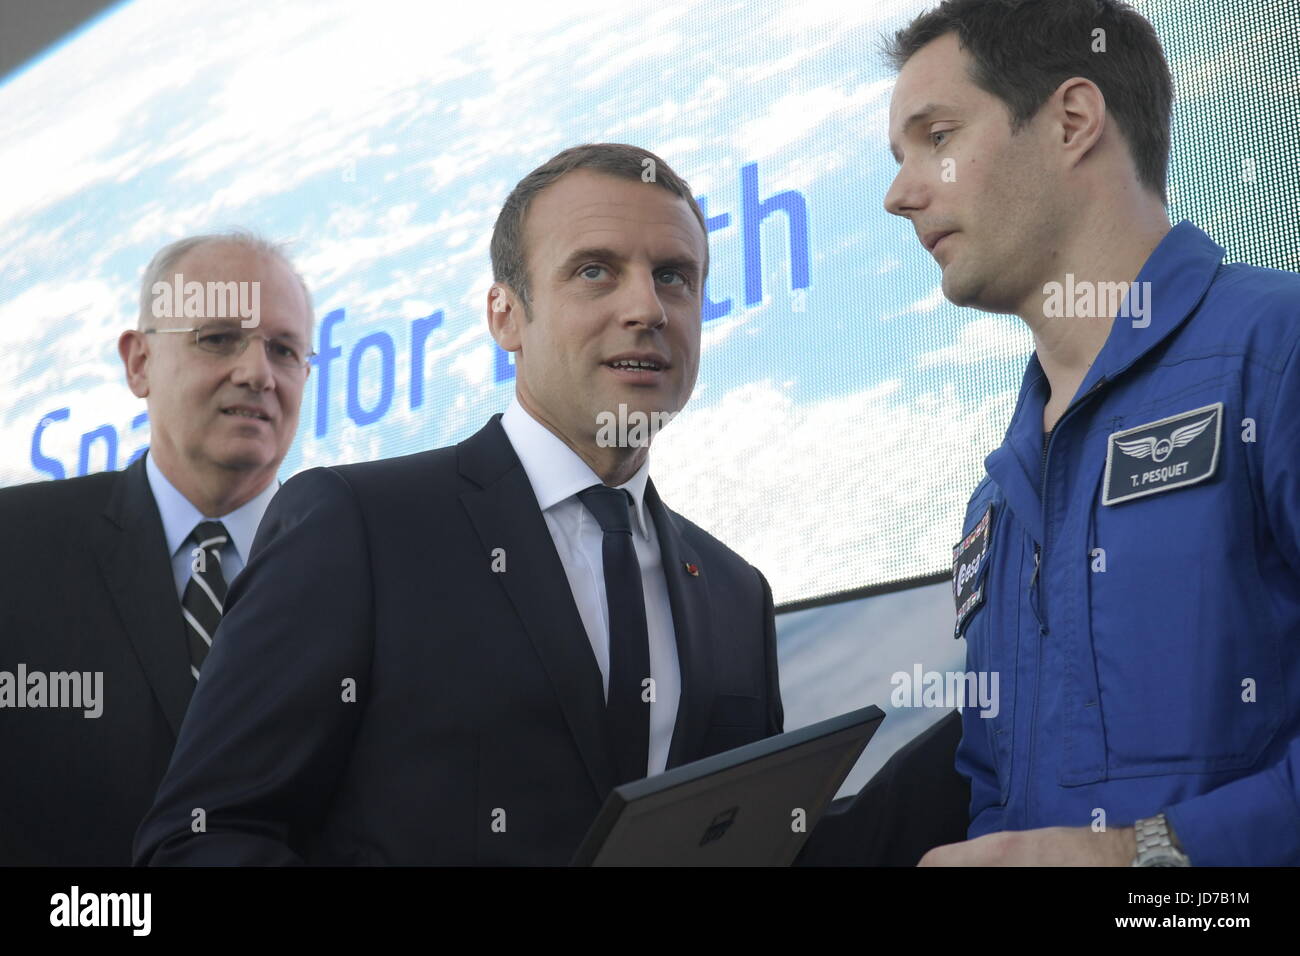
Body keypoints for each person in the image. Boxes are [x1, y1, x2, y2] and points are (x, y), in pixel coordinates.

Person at [134, 144, 784, 865]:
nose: (646, 308)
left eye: (674, 277)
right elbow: (202, 839)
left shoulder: (735, 596)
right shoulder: (358, 527)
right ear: (505, 317)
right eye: (594, 271)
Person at [883, 0, 1300, 865]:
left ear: (1073, 120)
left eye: (938, 136)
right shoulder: (996, 499)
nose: (900, 194)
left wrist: (1143, 859)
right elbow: (999, 796)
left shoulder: (1278, 351)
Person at [0, 232, 314, 864]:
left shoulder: (358, 572)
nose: (257, 372)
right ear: (138, 362)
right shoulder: (15, 550)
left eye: (284, 350)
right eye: (218, 338)